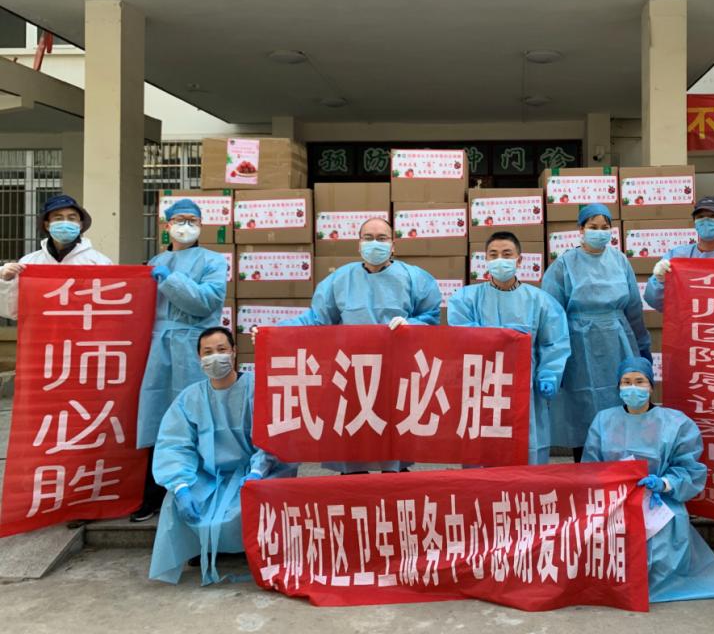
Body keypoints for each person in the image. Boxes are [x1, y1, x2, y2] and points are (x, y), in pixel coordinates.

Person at [277, 217, 442, 474]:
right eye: (368, 238)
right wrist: (275, 332)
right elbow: (316, 319)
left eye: (382, 238)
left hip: (395, 371)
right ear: (359, 244)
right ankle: (354, 484)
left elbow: (431, 316)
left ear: (393, 245)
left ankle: (393, 484)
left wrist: (412, 324)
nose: (375, 243)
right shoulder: (340, 280)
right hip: (352, 373)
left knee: (392, 437)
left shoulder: (414, 278)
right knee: (354, 435)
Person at [583, 357, 714, 603]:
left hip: (659, 500)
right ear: (618, 387)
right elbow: (590, 466)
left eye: (639, 381)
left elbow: (689, 469)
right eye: (626, 382)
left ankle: (647, 583)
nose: (632, 387)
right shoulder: (603, 420)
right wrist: (609, 485)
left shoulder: (675, 423)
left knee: (661, 547)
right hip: (615, 500)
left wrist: (663, 483)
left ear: (651, 387)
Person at [150, 326, 296, 586]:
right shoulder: (190, 398)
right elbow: (175, 444)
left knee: (262, 497)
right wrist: (181, 486)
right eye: (207, 352)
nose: (214, 357)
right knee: (176, 499)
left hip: (258, 470)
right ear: (199, 358)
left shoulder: (258, 388)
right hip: (209, 476)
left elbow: (274, 434)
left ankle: (247, 546)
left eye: (221, 350)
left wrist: (257, 472)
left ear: (234, 352)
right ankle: (198, 546)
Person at [134, 199, 228, 522]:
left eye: (192, 220)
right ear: (167, 225)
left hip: (194, 346)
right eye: (179, 220)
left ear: (201, 225)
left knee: (196, 417)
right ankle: (153, 494)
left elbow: (205, 301)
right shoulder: (155, 261)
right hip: (158, 348)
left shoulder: (213, 261)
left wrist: (170, 280)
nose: (185, 226)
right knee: (157, 419)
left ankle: (199, 490)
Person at [447, 231, 570, 464]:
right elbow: (460, 334)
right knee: (483, 444)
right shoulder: (466, 299)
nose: (499, 260)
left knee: (526, 442)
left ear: (519, 260)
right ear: (485, 259)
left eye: (506, 254)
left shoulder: (540, 301)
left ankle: (527, 486)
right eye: (493, 255)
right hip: (482, 383)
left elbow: (554, 343)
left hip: (525, 382)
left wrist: (549, 374)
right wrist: (502, 335)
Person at [542, 203, 651, 462]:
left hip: (618, 338)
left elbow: (634, 307)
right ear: (580, 229)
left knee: (619, 398)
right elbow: (551, 313)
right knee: (582, 405)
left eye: (604, 227)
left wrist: (642, 344)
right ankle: (584, 465)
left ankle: (620, 466)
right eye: (593, 227)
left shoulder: (620, 260)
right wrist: (552, 358)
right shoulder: (564, 264)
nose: (599, 232)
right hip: (578, 343)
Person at [0, 194, 111, 319]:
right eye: (58, 218)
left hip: (84, 328)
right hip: (42, 329)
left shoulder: (99, 262)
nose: (65, 223)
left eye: (72, 218)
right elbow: (13, 311)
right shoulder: (29, 263)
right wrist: (6, 281)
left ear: (80, 225)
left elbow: (109, 307)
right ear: (47, 225)